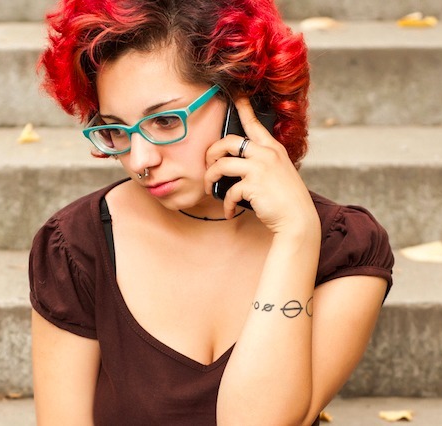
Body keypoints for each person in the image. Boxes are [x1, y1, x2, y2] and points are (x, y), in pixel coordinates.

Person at [29, 0, 394, 424]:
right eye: (115, 130)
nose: (140, 160)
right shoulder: (74, 246)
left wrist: (295, 237)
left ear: (248, 104)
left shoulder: (343, 248)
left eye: (164, 121)